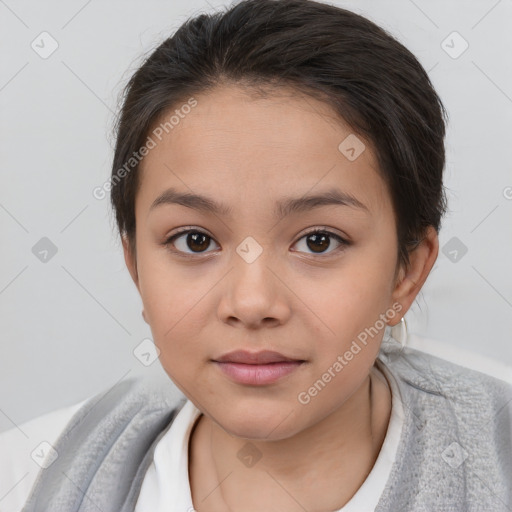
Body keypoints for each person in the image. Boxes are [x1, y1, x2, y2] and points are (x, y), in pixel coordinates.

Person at [2, 0, 511, 510]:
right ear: (135, 265)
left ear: (408, 271)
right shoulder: (29, 478)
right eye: (195, 240)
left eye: (318, 241)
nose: (251, 303)